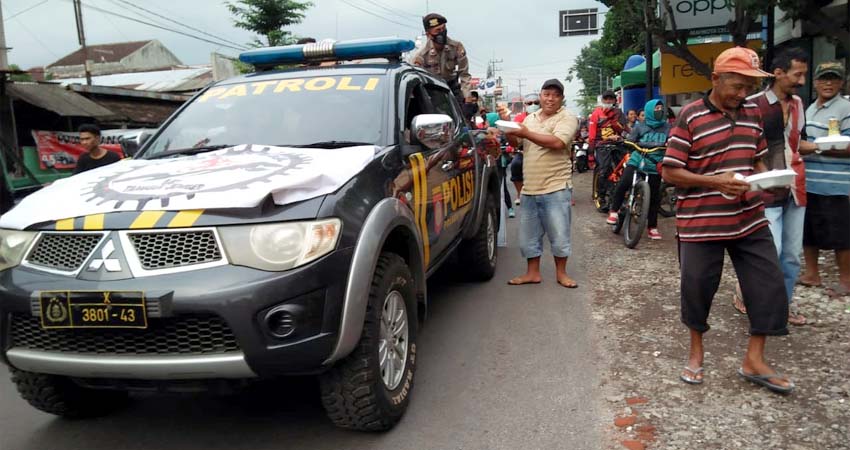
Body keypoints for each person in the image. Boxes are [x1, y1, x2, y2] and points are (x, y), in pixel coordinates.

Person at [662, 47, 794, 393]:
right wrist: (714, 181)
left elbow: (758, 159)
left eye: (748, 87)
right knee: (697, 288)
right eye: (736, 86)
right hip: (700, 222)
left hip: (749, 218)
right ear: (716, 79)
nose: (742, 94)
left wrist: (770, 180)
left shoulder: (752, 113)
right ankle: (695, 353)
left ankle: (755, 359)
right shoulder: (689, 116)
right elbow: (671, 172)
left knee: (768, 285)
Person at [735, 47, 817, 325]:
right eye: (798, 74)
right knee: (771, 251)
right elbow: (743, 148)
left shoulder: (798, 105)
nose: (802, 81)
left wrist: (820, 147)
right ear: (778, 73)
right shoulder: (753, 104)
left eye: (804, 75)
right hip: (765, 189)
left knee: (792, 254)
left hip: (795, 186)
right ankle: (752, 297)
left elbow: (798, 143)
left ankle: (783, 304)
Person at [500, 79, 579, 288]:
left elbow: (557, 143)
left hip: (556, 186)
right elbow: (517, 143)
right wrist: (508, 129)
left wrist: (524, 132)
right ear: (540, 96)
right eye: (546, 94)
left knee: (559, 235)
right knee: (528, 237)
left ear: (561, 98)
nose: (550, 98)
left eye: (555, 95)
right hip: (530, 188)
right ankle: (532, 273)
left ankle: (561, 274)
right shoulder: (530, 118)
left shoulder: (567, 118)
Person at [799, 61, 850, 297]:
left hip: (836, 184)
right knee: (808, 231)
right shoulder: (810, 108)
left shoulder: (845, 108)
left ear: (842, 82)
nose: (828, 83)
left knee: (842, 236)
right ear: (816, 81)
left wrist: (815, 148)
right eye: (823, 78)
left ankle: (846, 281)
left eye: (834, 78)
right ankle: (812, 274)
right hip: (809, 181)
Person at [606, 99, 671, 240]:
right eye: (656, 108)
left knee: (654, 197)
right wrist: (628, 142)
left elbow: (672, 140)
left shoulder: (667, 127)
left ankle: (652, 227)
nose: (659, 110)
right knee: (624, 183)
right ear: (649, 111)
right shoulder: (640, 127)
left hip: (655, 164)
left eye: (661, 108)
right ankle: (614, 211)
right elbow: (630, 140)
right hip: (637, 160)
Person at [412, 13, 471, 104]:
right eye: (438, 30)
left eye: (443, 28)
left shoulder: (456, 47)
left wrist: (468, 98)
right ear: (429, 35)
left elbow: (464, 74)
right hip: (432, 91)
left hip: (452, 88)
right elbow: (415, 79)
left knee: (463, 111)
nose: (442, 32)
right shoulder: (421, 55)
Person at [509, 94, 541, 203]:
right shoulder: (519, 118)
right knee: (516, 165)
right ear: (525, 105)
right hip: (524, 150)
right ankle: (519, 193)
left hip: (542, 149)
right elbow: (514, 139)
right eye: (530, 103)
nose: (533, 105)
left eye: (536, 103)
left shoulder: (544, 117)